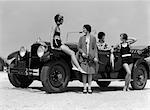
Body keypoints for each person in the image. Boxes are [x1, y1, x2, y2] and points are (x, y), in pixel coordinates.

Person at [78, 24, 98, 94]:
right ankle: (84, 87)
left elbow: (95, 48)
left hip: (91, 57)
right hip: (83, 58)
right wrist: (82, 53)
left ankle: (89, 87)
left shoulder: (93, 38)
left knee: (90, 73)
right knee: (84, 73)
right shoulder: (81, 38)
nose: (83, 30)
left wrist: (95, 57)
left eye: (84, 29)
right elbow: (79, 47)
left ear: (87, 29)